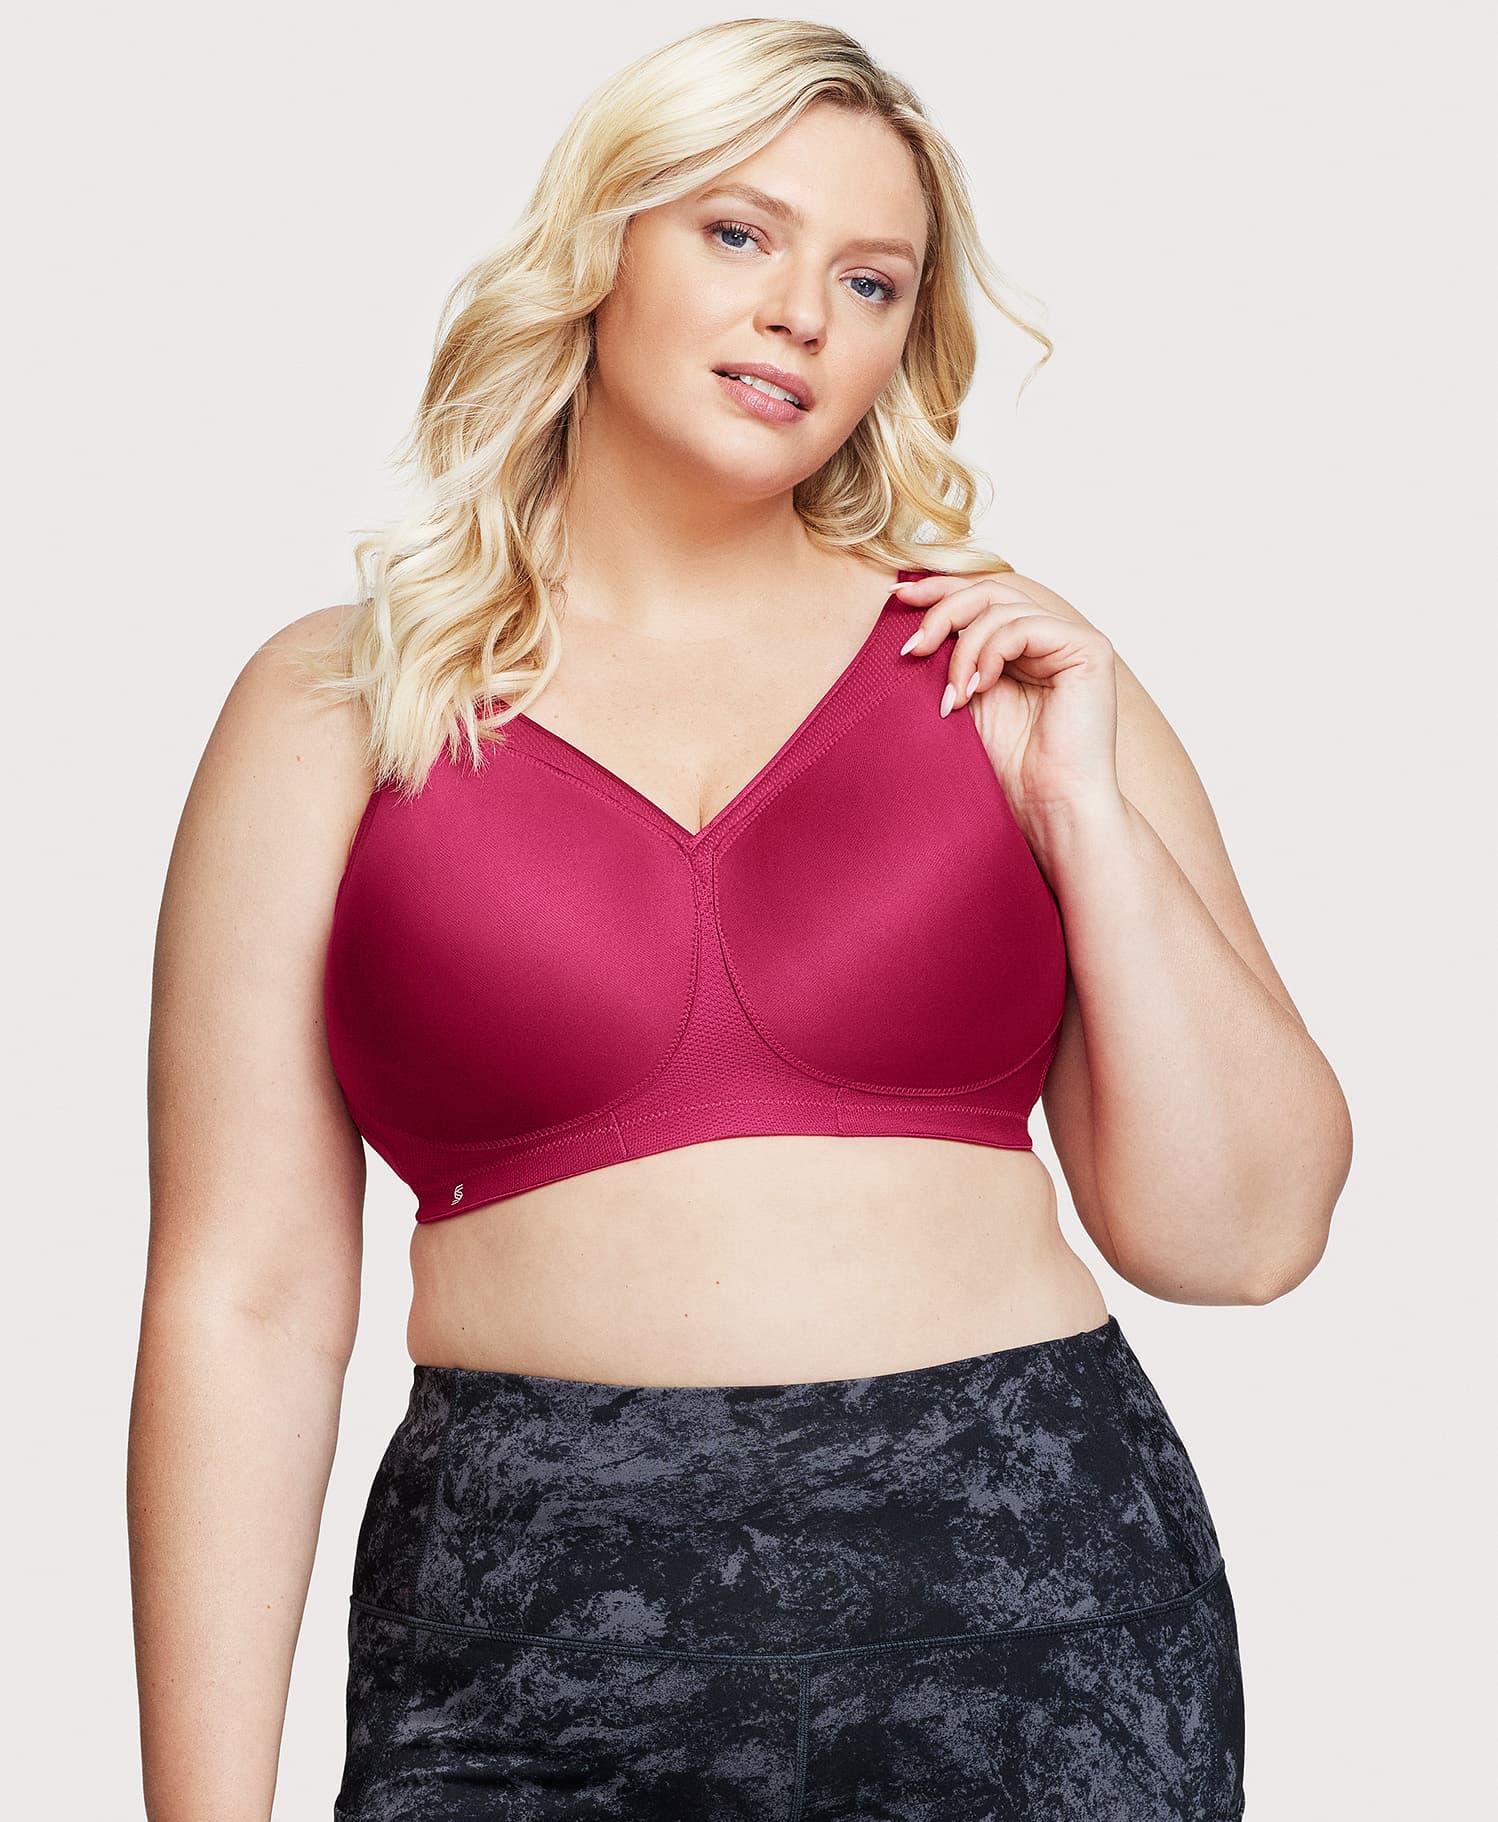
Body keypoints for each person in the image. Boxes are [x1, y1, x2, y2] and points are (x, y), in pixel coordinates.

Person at [129, 18, 1353, 1821]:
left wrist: (1085, 817)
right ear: (600, 244)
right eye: (736, 233)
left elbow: (1241, 1236)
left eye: (869, 282)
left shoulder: (1002, 667)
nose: (800, 315)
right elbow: (241, 1300)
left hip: (1028, 1599)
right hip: (527, 1630)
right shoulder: (333, 706)